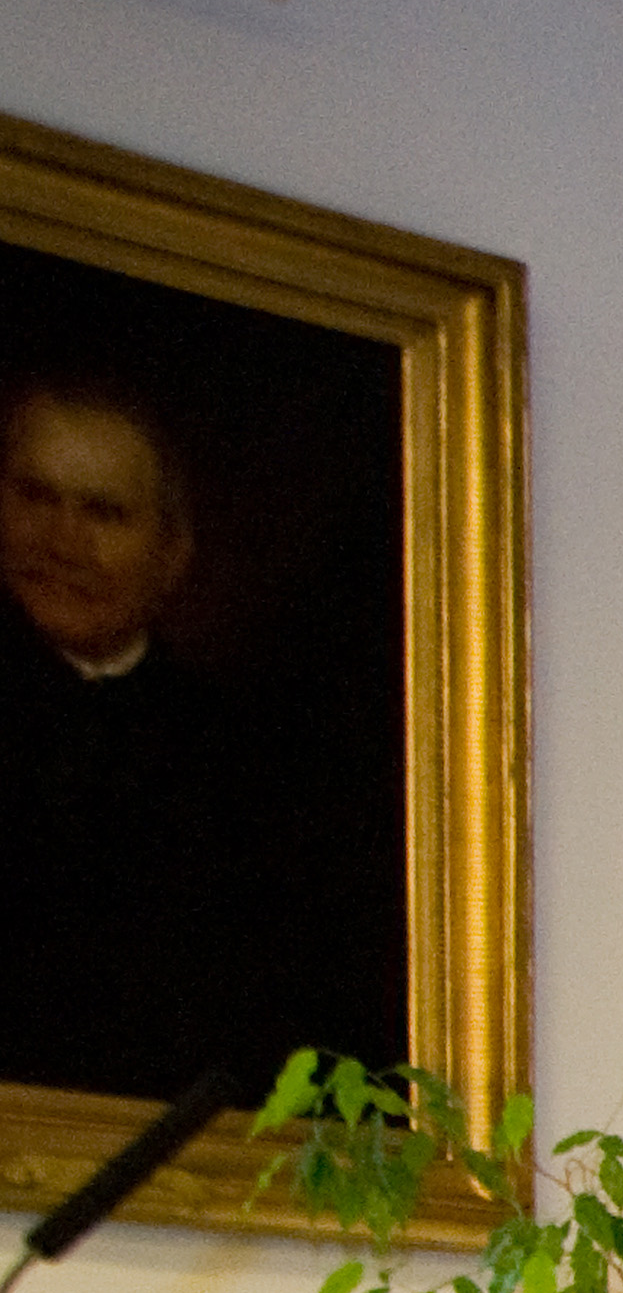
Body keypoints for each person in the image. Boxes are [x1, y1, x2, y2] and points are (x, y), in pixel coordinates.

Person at [0, 370, 365, 1102]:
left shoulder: (252, 762)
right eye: (36, 497)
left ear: (172, 555)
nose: (62, 541)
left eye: (104, 513)